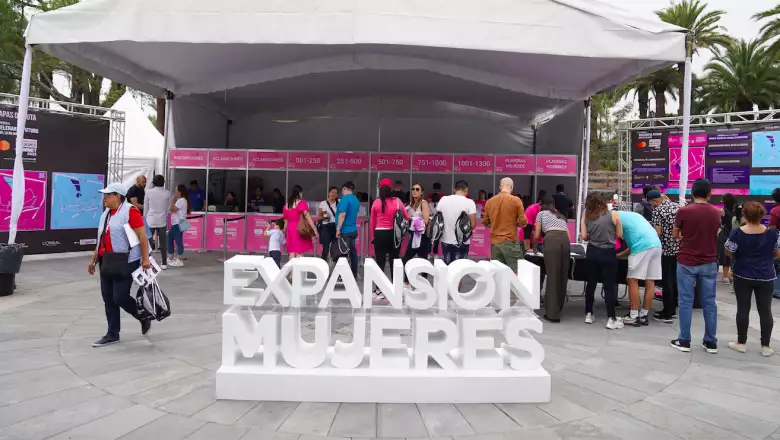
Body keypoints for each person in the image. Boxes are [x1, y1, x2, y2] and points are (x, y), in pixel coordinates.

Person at [88, 183, 152, 347]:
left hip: (126, 260)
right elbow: (101, 238)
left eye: (108, 195)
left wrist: (145, 260)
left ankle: (142, 315)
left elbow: (142, 237)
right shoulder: (106, 214)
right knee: (108, 298)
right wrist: (94, 259)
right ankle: (112, 333)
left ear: (118, 196)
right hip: (107, 260)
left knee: (120, 296)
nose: (104, 198)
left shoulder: (130, 211)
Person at [671, 178, 721, 354]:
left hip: (686, 261)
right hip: (709, 261)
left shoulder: (683, 211)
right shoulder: (717, 213)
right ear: (709, 194)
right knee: (709, 303)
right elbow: (715, 233)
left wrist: (684, 235)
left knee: (685, 301)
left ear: (692, 193)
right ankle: (711, 341)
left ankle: (684, 340)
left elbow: (676, 234)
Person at [725, 201, 780, 357]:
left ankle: (741, 343)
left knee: (743, 308)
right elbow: (778, 254)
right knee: (765, 310)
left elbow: (728, 252)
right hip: (766, 276)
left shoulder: (737, 232)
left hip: (743, 274)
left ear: (745, 215)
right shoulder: (772, 233)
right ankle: (766, 346)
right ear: (762, 214)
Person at [581, 193, 624, 329]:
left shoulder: (586, 217)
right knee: (609, 286)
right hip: (608, 252)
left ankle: (589, 313)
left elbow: (584, 237)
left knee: (591, 283)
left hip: (592, 251)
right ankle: (611, 318)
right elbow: (620, 235)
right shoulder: (614, 214)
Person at [617, 210, 662, 327]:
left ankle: (633, 316)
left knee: (632, 280)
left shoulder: (613, 216)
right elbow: (638, 240)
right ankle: (643, 315)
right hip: (656, 246)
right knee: (650, 281)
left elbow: (619, 236)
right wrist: (621, 254)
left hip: (642, 247)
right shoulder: (633, 216)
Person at [371, 178, 410, 299]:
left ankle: (379, 290)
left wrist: (373, 236)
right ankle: (395, 289)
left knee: (380, 263)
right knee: (394, 261)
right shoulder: (397, 201)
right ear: (391, 188)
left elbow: (373, 222)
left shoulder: (376, 203)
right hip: (394, 235)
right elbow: (407, 217)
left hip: (379, 234)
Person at [533, 196, 570, 322]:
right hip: (565, 241)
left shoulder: (541, 214)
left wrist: (533, 248)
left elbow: (537, 235)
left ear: (541, 205)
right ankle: (558, 307)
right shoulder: (560, 216)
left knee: (552, 274)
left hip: (551, 240)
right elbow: (568, 236)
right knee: (562, 275)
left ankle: (552, 314)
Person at [482, 177, 527, 274]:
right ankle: (513, 290)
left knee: (498, 274)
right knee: (517, 272)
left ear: (500, 187)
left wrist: (495, 222)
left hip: (495, 244)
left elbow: (485, 222)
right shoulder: (516, 200)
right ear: (512, 187)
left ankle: (500, 290)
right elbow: (523, 221)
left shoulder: (490, 201)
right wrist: (514, 223)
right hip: (510, 242)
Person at [648, 191, 680, 323]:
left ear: (653, 201)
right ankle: (674, 308)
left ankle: (667, 312)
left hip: (666, 249)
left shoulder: (658, 211)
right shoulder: (677, 207)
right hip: (680, 248)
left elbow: (658, 232)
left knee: (667, 281)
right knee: (675, 280)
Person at [437, 180, 477, 264]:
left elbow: (438, 220)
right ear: (466, 190)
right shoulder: (470, 202)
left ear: (454, 189)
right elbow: (473, 225)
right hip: (462, 242)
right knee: (459, 270)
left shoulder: (443, 199)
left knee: (448, 268)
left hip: (446, 240)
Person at [402, 182, 432, 280]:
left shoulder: (424, 203)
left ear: (422, 192)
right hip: (414, 235)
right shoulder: (412, 204)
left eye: (417, 189)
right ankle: (407, 281)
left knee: (422, 261)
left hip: (422, 237)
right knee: (407, 259)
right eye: (413, 189)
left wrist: (413, 219)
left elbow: (426, 220)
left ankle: (423, 283)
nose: (414, 191)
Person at [143, 175, 171, 269]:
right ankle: (164, 263)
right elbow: (168, 208)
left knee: (148, 243)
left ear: (154, 182)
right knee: (163, 243)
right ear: (163, 182)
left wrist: (145, 219)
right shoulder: (167, 193)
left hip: (150, 220)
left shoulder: (148, 192)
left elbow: (146, 207)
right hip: (162, 221)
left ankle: (148, 261)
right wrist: (165, 216)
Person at [283, 185, 317, 260]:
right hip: (300, 229)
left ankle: (291, 271)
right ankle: (298, 271)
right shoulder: (302, 203)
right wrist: (314, 229)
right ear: (299, 193)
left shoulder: (286, 205)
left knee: (291, 252)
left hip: (290, 230)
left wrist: (284, 233)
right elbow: (308, 218)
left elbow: (286, 223)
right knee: (299, 252)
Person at [335, 181, 360, 277]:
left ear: (344, 188)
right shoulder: (356, 200)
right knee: (353, 253)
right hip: (353, 230)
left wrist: (338, 229)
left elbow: (342, 214)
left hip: (344, 231)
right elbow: (356, 215)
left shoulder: (345, 199)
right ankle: (354, 274)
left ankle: (342, 276)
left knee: (342, 254)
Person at [167, 184, 191, 267]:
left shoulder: (180, 200)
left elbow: (172, 209)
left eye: (177, 190)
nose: (175, 192)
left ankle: (178, 259)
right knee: (174, 239)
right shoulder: (183, 200)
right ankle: (173, 257)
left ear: (180, 192)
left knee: (176, 240)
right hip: (180, 222)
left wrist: (172, 200)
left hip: (178, 223)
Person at [718, 193, 737, 284]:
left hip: (724, 234)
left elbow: (718, 222)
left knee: (722, 254)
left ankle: (724, 276)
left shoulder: (722, 211)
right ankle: (728, 276)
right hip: (733, 234)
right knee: (730, 255)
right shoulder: (736, 211)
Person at [317, 187, 339, 261]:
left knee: (336, 248)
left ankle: (335, 265)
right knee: (325, 248)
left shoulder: (339, 202)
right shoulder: (323, 203)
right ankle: (324, 265)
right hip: (326, 227)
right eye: (332, 192)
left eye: (335, 193)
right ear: (329, 193)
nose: (333, 194)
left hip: (336, 227)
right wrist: (325, 217)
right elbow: (319, 216)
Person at [769, 188, 780, 298]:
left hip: (778, 241)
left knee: (777, 264)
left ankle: (777, 290)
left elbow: (772, 229)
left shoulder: (775, 211)